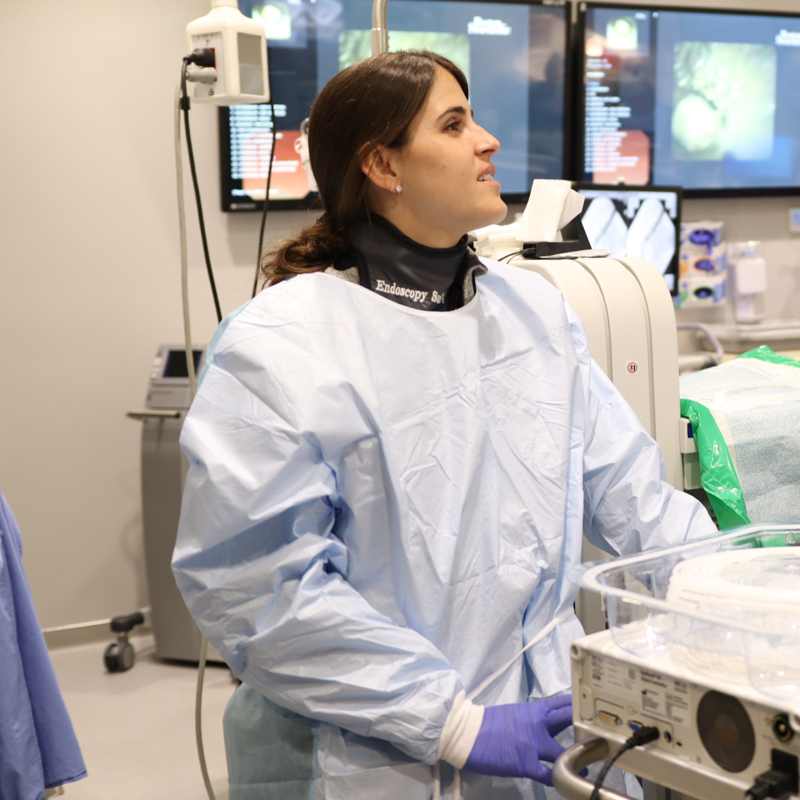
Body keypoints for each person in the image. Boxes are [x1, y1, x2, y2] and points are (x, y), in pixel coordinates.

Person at [172, 51, 716, 800]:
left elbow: (637, 502)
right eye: (454, 124)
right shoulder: (283, 344)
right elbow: (256, 587)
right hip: (368, 756)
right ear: (382, 165)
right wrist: (454, 724)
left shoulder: (535, 316)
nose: (488, 140)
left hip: (548, 737)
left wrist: (736, 605)